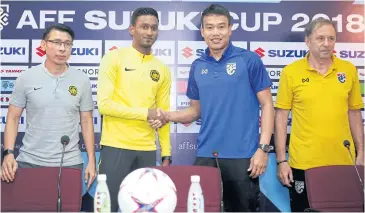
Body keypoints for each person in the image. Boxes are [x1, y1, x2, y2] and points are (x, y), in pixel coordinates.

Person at [150, 4, 274, 212]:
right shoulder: (198, 66)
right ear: (202, 31)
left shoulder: (249, 60)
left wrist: (262, 149)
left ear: (230, 29)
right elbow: (194, 111)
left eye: (221, 27)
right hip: (206, 154)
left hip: (242, 155)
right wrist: (167, 115)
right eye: (209, 27)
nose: (215, 33)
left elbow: (267, 104)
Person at [274, 17, 364, 212]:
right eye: (320, 38)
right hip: (304, 164)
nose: (326, 44)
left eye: (331, 38)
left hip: (343, 163)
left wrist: (361, 152)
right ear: (307, 41)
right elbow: (281, 118)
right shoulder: (291, 73)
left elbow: (354, 113)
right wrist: (281, 160)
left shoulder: (348, 70)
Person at [1, 23, 96, 188]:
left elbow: (87, 122)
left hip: (70, 163)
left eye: (67, 44)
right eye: (57, 42)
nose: (62, 48)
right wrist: (8, 153)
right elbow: (13, 117)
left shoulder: (82, 80)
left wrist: (92, 161)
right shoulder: (26, 77)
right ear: (43, 44)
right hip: (29, 162)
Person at [97, 7, 172, 211]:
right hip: (115, 146)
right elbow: (104, 105)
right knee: (107, 207)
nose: (149, 32)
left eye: (154, 28)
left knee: (144, 209)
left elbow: (163, 114)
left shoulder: (162, 69)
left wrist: (166, 153)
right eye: (144, 27)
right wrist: (145, 113)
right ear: (132, 29)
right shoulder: (114, 58)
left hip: (147, 149)